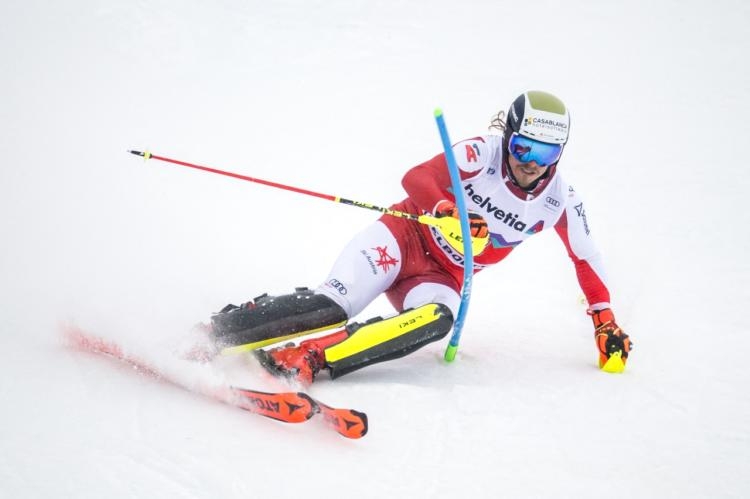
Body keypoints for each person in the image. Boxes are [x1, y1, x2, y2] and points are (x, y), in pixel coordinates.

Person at [206, 90, 632, 383]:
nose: (532, 164)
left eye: (547, 154)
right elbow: (418, 176)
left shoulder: (560, 200)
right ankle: (214, 333)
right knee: (332, 306)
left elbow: (585, 257)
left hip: (442, 278)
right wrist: (445, 210)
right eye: (523, 148)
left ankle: (306, 358)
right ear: (509, 137)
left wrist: (604, 321)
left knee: (437, 320)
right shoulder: (482, 153)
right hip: (401, 237)